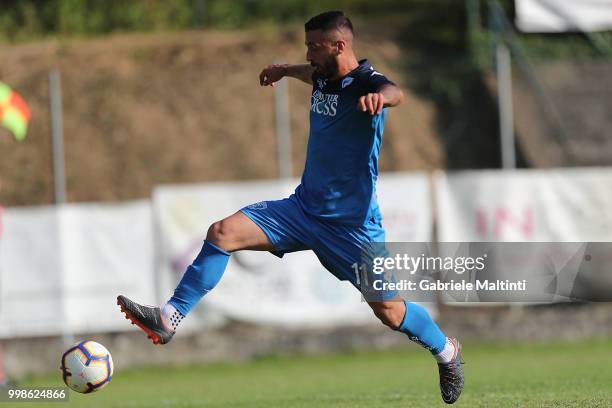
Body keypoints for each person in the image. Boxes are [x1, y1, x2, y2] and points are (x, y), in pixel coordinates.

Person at [118, 10, 464, 404]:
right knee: (222, 233)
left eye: (315, 47)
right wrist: (285, 69)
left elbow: (395, 91)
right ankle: (169, 318)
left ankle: (447, 351)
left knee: (391, 313)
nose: (309, 54)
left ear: (340, 46)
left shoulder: (367, 83)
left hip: (353, 229)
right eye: (307, 47)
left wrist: (380, 99)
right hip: (301, 211)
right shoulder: (320, 73)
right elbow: (310, 72)